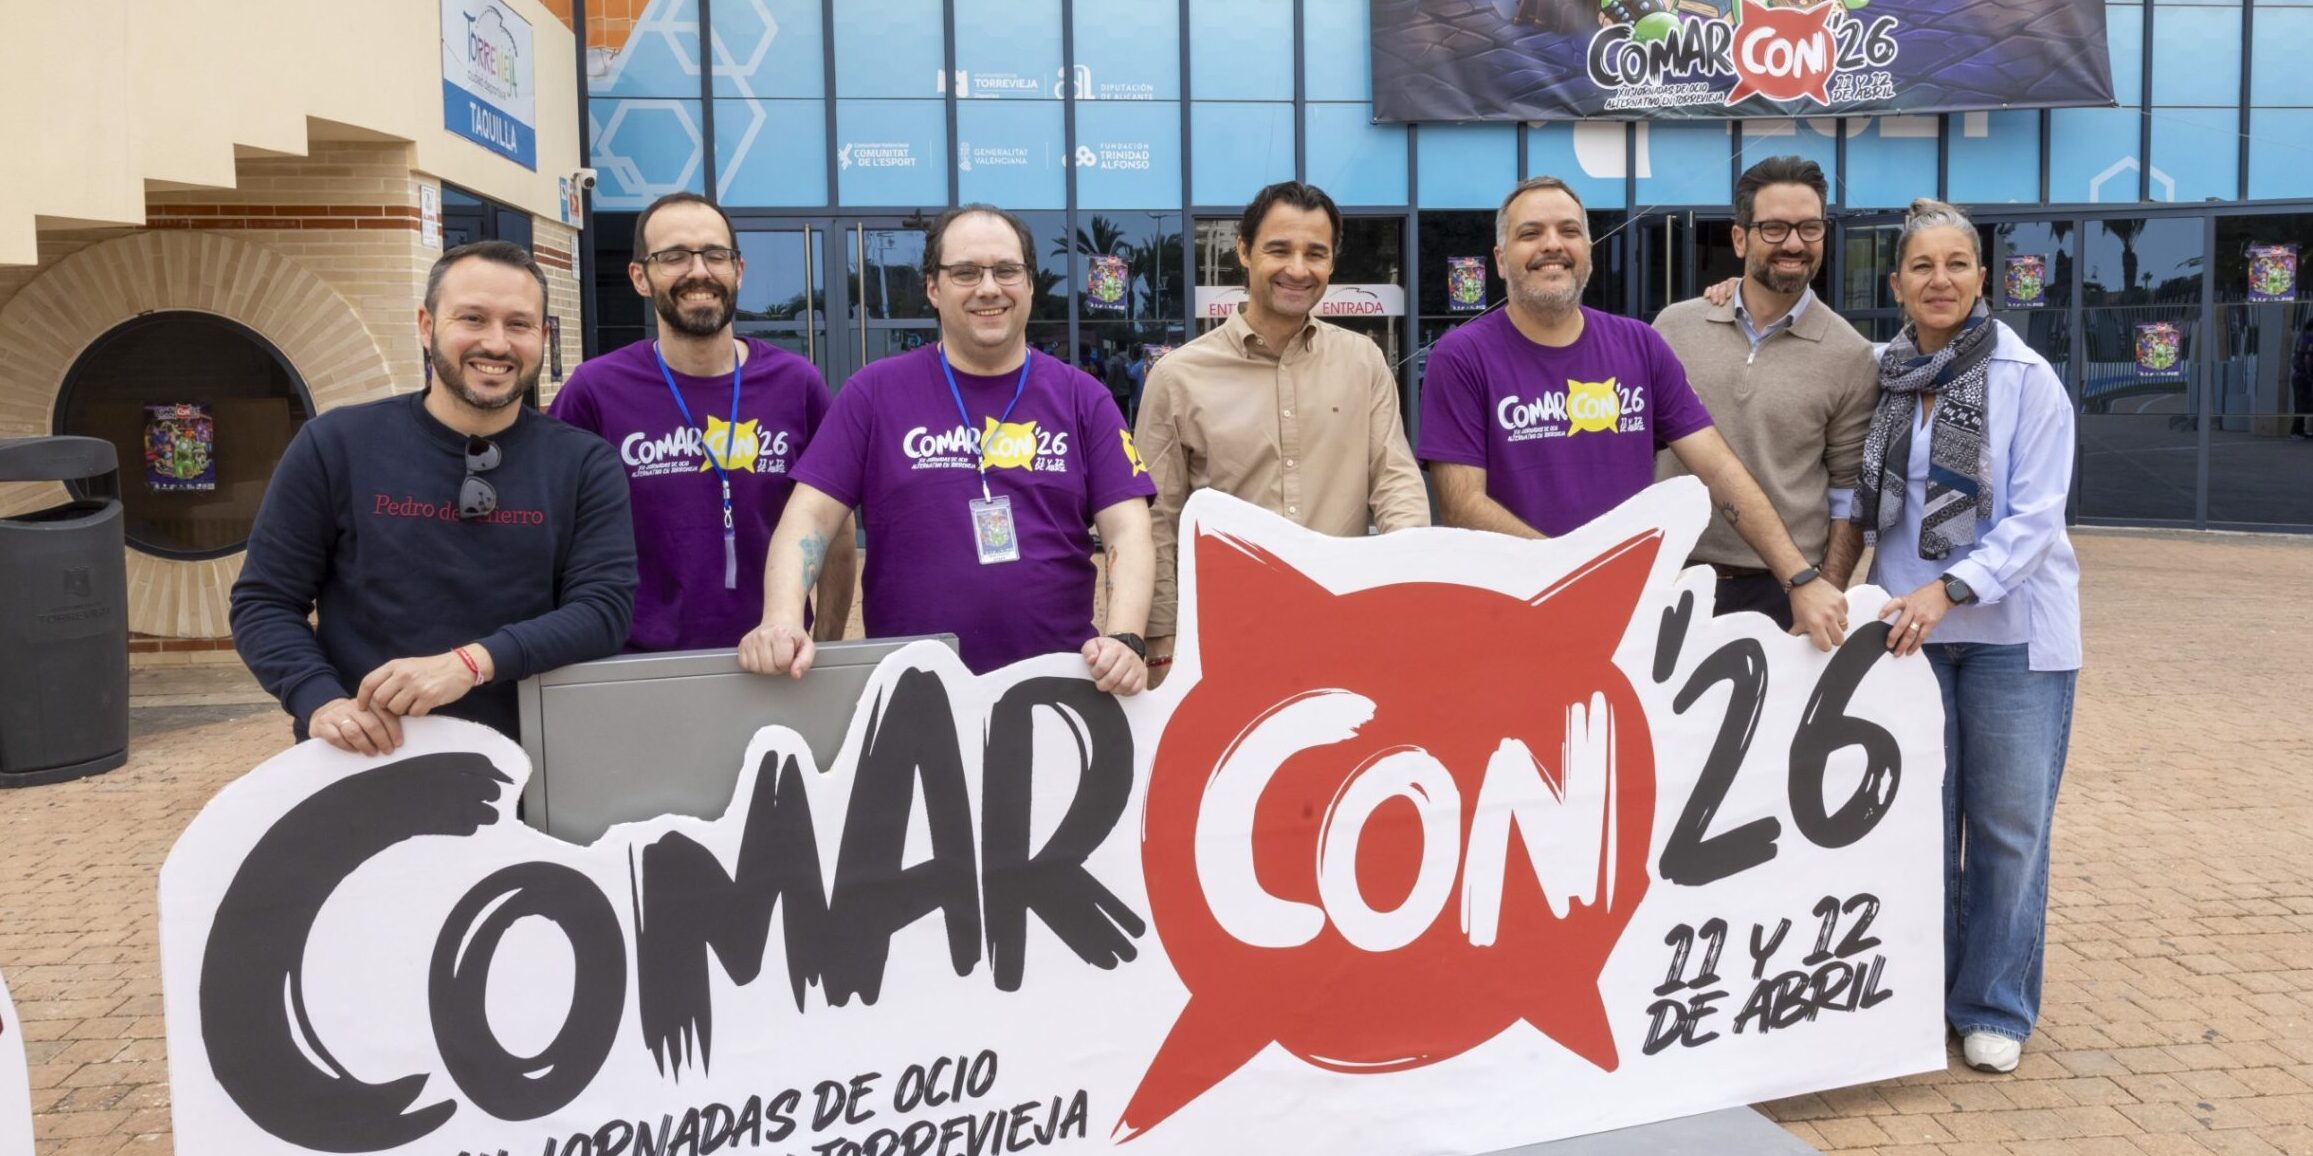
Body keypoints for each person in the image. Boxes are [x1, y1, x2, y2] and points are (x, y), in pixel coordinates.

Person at [231, 241, 637, 754]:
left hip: (534, 757)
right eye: (472, 318)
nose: (496, 343)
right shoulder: (335, 445)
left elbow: (603, 611)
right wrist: (319, 699)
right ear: (426, 326)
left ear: (542, 337)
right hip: (368, 754)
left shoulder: (584, 463)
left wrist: (471, 663)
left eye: (518, 324)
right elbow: (265, 600)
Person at [737, 204, 1157, 693]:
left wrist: (1125, 637)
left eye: (1006, 270)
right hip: (915, 691)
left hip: (1056, 686)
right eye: (965, 272)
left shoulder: (1084, 397)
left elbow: (1128, 528)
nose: (989, 288)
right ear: (933, 288)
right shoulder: (874, 393)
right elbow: (809, 517)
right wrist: (782, 617)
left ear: (1029, 283)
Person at [1416, 175, 1847, 650]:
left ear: (1589, 251)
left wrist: (1798, 577)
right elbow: (1462, 505)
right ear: (1501, 260)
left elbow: (1719, 468)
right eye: (1531, 233)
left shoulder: (1640, 345)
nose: (1552, 245)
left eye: (1569, 231)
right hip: (1512, 617)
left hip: (1632, 620)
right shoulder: (1461, 357)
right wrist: (1582, 577)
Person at [1867, 197, 2082, 1075]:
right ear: (1896, 283)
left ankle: (1993, 1004)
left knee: (2005, 827)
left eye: (1956, 263)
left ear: (1981, 277)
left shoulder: (2026, 378)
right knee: (1918, 821)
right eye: (1921, 266)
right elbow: (1853, 491)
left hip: (2008, 635)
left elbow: (2035, 519)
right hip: (1906, 632)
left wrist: (1948, 589)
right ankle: (1925, 993)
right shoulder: (1880, 372)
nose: (1939, 279)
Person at [1135, 181, 1428, 684]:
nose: (1298, 268)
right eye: (1279, 249)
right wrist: (1161, 637)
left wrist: (1409, 585)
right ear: (1243, 251)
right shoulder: (1177, 377)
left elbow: (1395, 482)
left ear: (1331, 262)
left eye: (1315, 253)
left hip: (1346, 627)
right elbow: (1157, 517)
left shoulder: (1364, 362)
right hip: (1226, 639)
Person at [550, 191, 853, 652]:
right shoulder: (594, 390)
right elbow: (554, 532)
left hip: (771, 657)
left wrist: (828, 646)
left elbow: (834, 526)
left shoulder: (796, 384)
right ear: (640, 277)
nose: (698, 271)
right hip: (634, 664)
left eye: (715, 255)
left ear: (738, 270)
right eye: (673, 256)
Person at [1654, 156, 1878, 630]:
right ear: (1740, 239)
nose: (1794, 243)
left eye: (1809, 228)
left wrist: (1827, 588)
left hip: (1782, 591)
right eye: (1774, 228)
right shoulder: (1674, 328)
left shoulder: (1851, 354)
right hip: (1669, 578)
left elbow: (1849, 492)